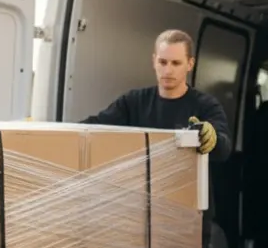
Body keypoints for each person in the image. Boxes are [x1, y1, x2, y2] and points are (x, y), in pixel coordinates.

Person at [81, 29, 232, 164]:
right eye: (163, 62)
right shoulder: (133, 102)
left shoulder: (205, 105)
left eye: (176, 63)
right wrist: (59, 133)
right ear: (154, 61)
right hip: (141, 193)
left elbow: (223, 149)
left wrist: (212, 138)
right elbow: (95, 125)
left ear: (190, 64)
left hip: (189, 194)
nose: (168, 70)